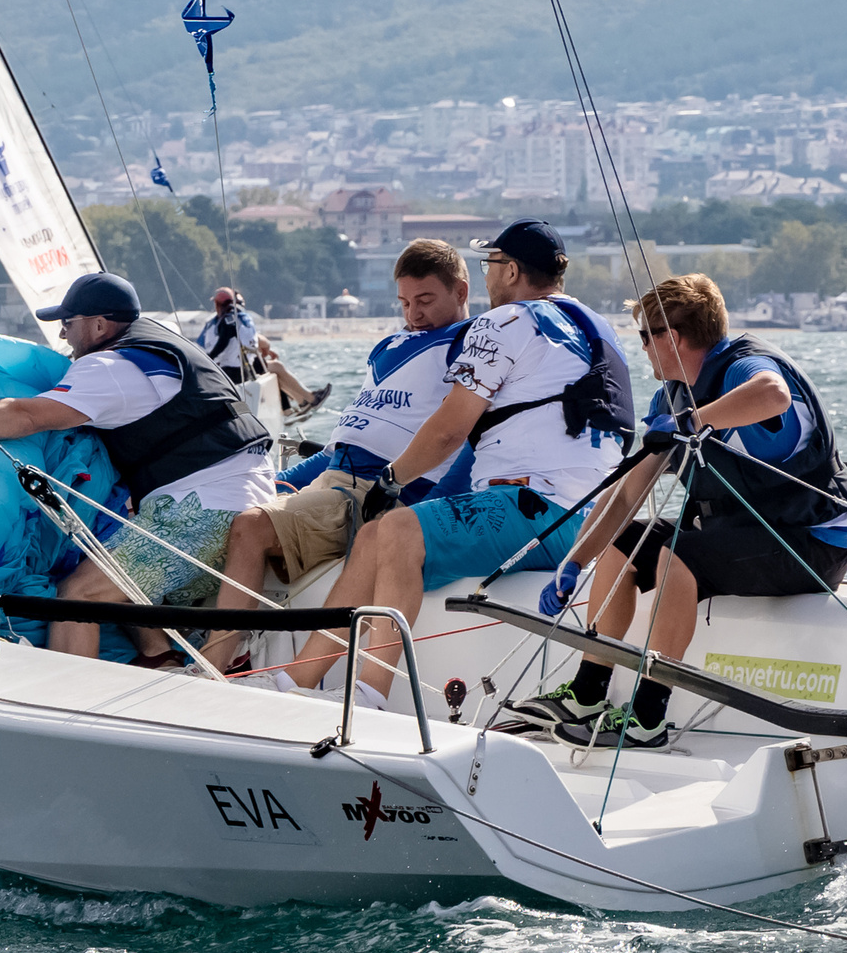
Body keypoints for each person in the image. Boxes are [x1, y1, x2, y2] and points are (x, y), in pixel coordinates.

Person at [277, 219, 633, 695]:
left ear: (511, 271)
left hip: (535, 511)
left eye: (490, 264)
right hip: (593, 525)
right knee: (375, 537)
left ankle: (371, 694)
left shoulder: (506, 321)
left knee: (397, 528)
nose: (487, 277)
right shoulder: (600, 329)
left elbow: (448, 431)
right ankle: (295, 681)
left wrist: (391, 480)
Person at [510, 273, 847, 749]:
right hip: (743, 535)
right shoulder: (670, 396)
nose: (642, 348)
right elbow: (626, 495)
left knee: (680, 554)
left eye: (644, 336)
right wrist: (575, 561)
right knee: (624, 542)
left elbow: (773, 394)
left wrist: (693, 421)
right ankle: (587, 693)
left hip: (812, 542)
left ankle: (648, 718)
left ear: (671, 337)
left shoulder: (741, 366)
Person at [0, 270, 272, 666]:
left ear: (99, 325)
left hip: (204, 512)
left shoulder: (110, 367)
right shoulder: (162, 344)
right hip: (249, 499)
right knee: (110, 562)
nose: (62, 334)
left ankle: (71, 699)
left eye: (68, 323)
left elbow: (26, 415)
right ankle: (160, 656)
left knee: (78, 594)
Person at [201, 240, 474, 671]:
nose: (413, 314)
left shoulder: (470, 346)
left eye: (425, 301)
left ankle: (214, 665)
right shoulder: (389, 346)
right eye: (404, 303)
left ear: (460, 292)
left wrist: (422, 515)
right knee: (226, 511)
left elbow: (468, 439)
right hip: (333, 482)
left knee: (250, 527)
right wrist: (274, 484)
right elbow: (341, 448)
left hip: (376, 493)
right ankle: (214, 649)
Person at [200, 286, 326, 415]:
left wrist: (206, 360)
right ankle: (300, 404)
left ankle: (299, 403)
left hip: (224, 370)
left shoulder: (215, 322)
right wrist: (209, 358)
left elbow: (215, 343)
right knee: (275, 369)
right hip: (236, 371)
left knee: (273, 369)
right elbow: (230, 341)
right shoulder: (236, 319)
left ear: (217, 304)